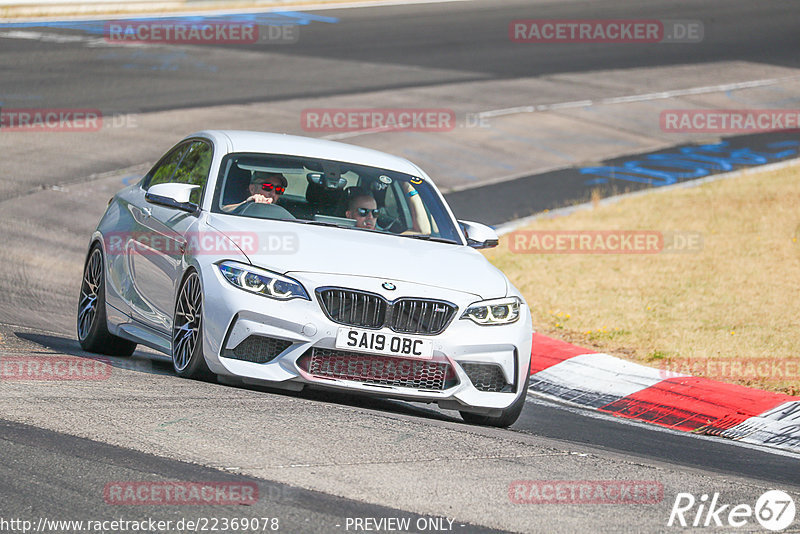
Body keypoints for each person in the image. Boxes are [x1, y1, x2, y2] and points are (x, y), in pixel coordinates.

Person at [222, 171, 286, 212]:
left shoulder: (281, 214)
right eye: (267, 187)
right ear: (252, 189)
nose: (273, 193)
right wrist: (247, 203)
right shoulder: (243, 206)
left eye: (279, 189)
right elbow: (223, 210)